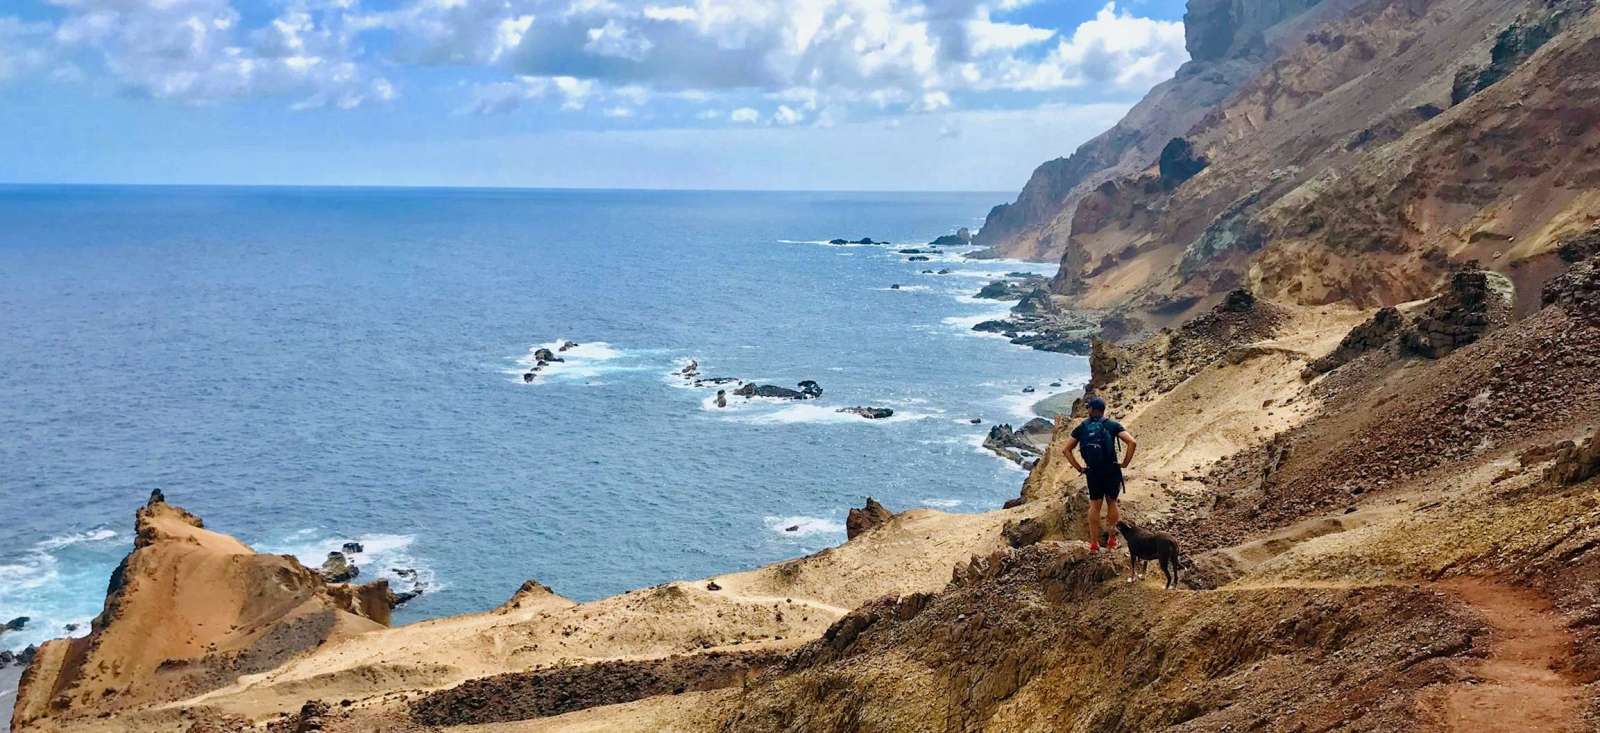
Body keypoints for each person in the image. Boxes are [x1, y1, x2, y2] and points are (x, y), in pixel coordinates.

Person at [1056, 396, 1137, 553]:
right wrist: (1125, 463)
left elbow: (1066, 450)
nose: (1087, 410)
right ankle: (1112, 542)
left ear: (1092, 409)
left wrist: (1080, 468)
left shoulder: (1082, 428)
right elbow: (1132, 442)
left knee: (1095, 506)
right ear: (1103, 410)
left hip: (1092, 472)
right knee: (1112, 503)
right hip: (1111, 470)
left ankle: (1094, 545)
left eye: (1088, 408)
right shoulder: (1112, 425)